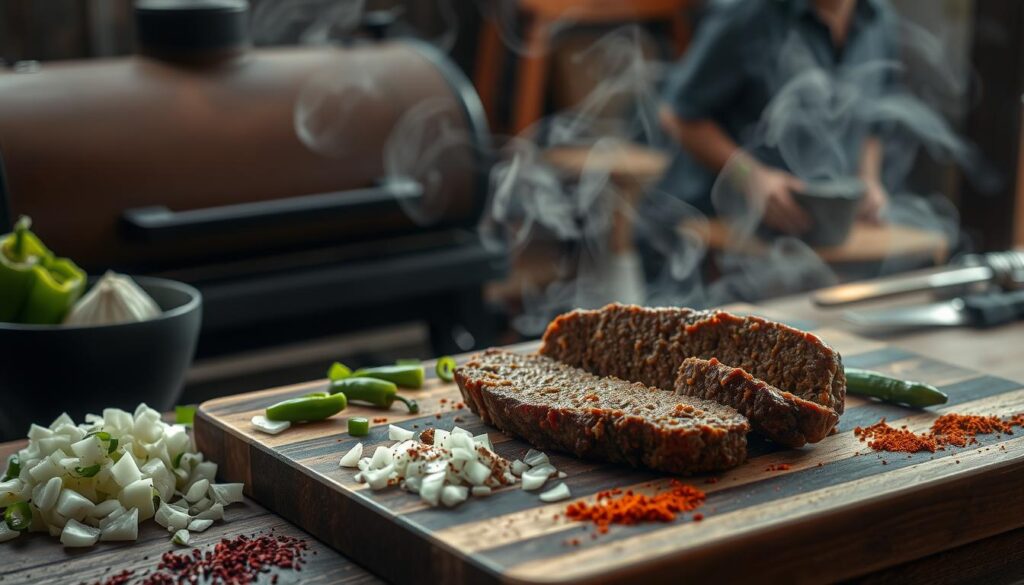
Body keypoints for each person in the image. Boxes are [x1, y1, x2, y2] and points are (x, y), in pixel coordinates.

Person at [657, 0, 898, 235]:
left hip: (821, 233)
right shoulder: (748, 13)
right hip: (720, 227)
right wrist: (750, 176)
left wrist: (868, 179)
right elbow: (675, 116)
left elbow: (874, 122)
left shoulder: (879, 20)